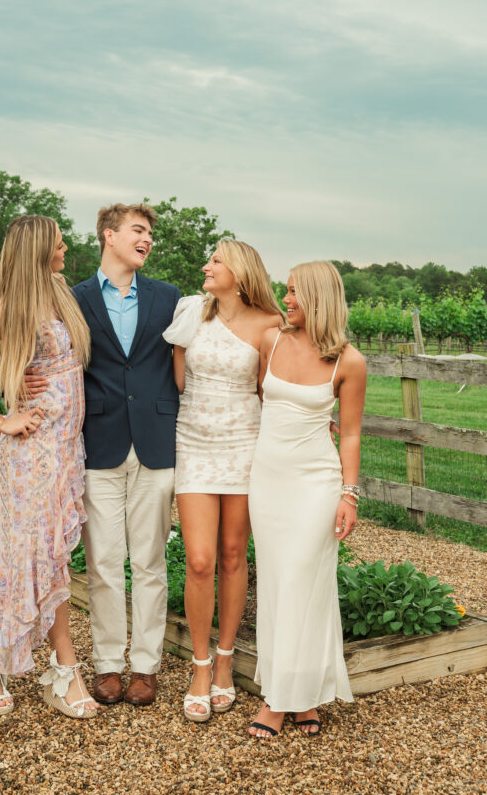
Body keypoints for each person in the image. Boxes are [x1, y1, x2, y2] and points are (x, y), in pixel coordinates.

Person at [0, 215, 99, 719]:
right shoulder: (12, 305)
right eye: (58, 243)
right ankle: (54, 669)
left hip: (67, 448)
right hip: (33, 451)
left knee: (43, 557)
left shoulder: (62, 295)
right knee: (32, 557)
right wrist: (0, 420)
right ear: (37, 250)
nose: (65, 248)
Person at [26, 203, 180, 706]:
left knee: (151, 561)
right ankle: (110, 664)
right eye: (139, 230)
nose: (148, 239)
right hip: (97, 444)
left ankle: (146, 666)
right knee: (104, 562)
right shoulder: (71, 298)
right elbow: (44, 351)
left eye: (150, 233)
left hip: (156, 442)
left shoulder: (170, 298)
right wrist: (24, 380)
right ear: (109, 236)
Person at [162, 240, 285, 722]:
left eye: (215, 260)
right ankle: (199, 664)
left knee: (234, 555)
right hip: (193, 441)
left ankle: (227, 660)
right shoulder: (191, 312)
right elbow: (178, 382)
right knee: (199, 558)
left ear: (241, 271)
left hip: (245, 446)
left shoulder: (270, 326)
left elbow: (270, 391)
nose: (206, 266)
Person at [247, 260, 366, 739]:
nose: (286, 298)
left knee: (303, 580)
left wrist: (349, 496)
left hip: (317, 482)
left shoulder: (349, 361)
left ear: (319, 297)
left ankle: (279, 701)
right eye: (286, 290)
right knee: (279, 584)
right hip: (268, 480)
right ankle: (305, 695)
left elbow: (352, 435)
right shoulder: (269, 341)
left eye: (295, 292)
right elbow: (260, 401)